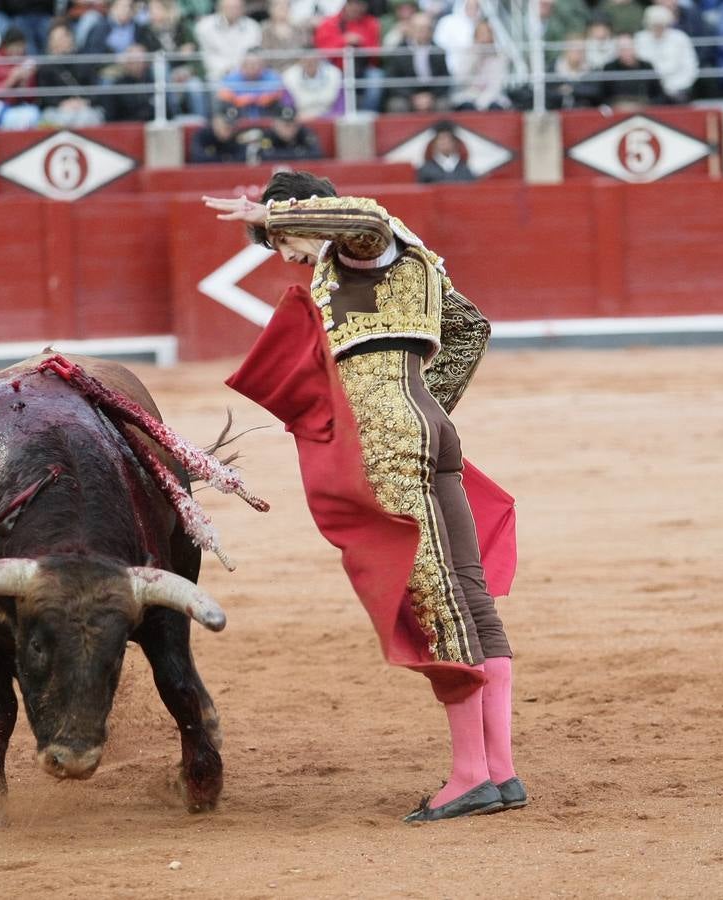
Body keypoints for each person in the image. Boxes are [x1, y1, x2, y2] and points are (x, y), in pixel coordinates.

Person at [206, 171, 523, 823]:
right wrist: (421, 407)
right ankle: (500, 771)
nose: (285, 256)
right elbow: (470, 328)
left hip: (393, 448)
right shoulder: (414, 263)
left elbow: (365, 222)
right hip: (426, 431)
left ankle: (471, 775)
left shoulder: (365, 245)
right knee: (468, 594)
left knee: (439, 600)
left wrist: (279, 213)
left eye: (281, 242)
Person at [313, 0, 383, 111]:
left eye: (360, 4)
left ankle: (367, 114)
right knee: (330, 76)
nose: (357, 7)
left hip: (363, 69)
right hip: (336, 68)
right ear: (346, 4)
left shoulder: (371, 23)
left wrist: (360, 43)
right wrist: (344, 41)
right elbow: (323, 51)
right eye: (353, 3)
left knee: (376, 77)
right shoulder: (329, 23)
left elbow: (375, 53)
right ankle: (336, 114)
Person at [383, 10, 449, 111]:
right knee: (397, 105)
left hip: (432, 94)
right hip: (407, 94)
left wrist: (431, 96)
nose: (423, 32)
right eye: (419, 28)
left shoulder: (438, 51)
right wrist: (413, 97)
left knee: (444, 104)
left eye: (427, 28)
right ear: (410, 29)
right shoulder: (399, 51)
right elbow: (393, 81)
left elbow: (445, 78)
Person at [634, 4, 697, 103]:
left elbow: (690, 68)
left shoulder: (680, 38)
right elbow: (637, 67)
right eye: (654, 25)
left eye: (661, 25)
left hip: (677, 87)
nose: (658, 28)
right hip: (647, 88)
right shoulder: (640, 39)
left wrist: (674, 87)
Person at [449, 18, 510, 110]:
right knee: (467, 108)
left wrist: (482, 102)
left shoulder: (500, 57)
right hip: (469, 95)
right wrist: (475, 55)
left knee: (494, 108)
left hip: (491, 98)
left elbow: (497, 85)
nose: (484, 38)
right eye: (481, 34)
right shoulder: (466, 54)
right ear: (475, 36)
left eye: (487, 33)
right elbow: (460, 79)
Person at [193, 0, 261, 82]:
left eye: (236, 7)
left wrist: (238, 70)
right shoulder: (204, 27)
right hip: (214, 75)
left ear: (243, 9)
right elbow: (206, 54)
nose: (232, 11)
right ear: (219, 8)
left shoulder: (253, 27)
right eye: (228, 7)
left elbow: (252, 53)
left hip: (246, 75)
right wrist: (225, 69)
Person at [215, 46, 286, 116]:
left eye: (255, 64)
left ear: (262, 64)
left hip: (267, 112)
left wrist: (252, 99)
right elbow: (223, 95)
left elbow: (277, 94)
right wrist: (240, 100)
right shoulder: (231, 77)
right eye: (248, 64)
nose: (251, 67)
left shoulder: (272, 76)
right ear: (242, 65)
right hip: (238, 115)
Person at [600, 31, 661, 105]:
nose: (626, 52)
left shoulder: (646, 66)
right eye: (622, 49)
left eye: (629, 48)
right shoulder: (609, 68)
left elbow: (658, 95)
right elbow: (603, 97)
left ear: (635, 47)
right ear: (617, 50)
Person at [99, 43, 157, 120]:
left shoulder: (154, 84)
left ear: (146, 63)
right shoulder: (117, 86)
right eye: (132, 61)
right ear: (126, 63)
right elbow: (110, 117)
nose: (136, 64)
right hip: (125, 127)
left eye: (139, 60)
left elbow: (167, 112)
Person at [282, 50, 344, 118]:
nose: (310, 64)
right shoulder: (289, 76)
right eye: (306, 61)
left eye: (313, 60)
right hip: (300, 119)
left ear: (319, 60)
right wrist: (295, 117)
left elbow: (340, 107)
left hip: (329, 118)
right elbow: (288, 105)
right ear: (300, 61)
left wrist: (323, 117)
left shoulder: (334, 74)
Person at [257, 105, 323, 159]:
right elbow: (264, 155)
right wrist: (298, 153)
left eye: (294, 125)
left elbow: (316, 153)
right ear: (275, 124)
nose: (290, 129)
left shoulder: (305, 133)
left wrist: (279, 154)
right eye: (286, 125)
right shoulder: (267, 136)